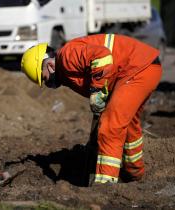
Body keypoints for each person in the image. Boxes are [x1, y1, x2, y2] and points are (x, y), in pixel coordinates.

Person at [21, 34, 162, 184]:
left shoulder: (67, 56)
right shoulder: (66, 73)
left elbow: (102, 57)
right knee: (128, 127)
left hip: (137, 69)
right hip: (142, 67)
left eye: (44, 78)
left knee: (110, 126)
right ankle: (135, 174)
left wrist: (97, 90)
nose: (47, 83)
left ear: (49, 66)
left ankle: (105, 184)